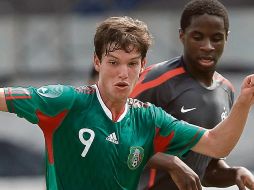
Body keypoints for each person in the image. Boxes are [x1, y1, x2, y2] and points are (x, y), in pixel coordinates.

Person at [0, 16, 254, 190]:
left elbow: (217, 145)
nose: (123, 72)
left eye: (132, 63)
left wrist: (243, 100)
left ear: (143, 66)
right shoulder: (66, 102)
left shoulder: (149, 118)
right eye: (113, 62)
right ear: (97, 62)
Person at [131, 0, 254, 190]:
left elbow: (209, 169)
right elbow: (116, 139)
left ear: (226, 38)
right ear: (182, 36)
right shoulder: (155, 81)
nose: (208, 46)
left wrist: (235, 173)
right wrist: (171, 163)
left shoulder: (226, 90)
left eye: (216, 38)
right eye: (198, 37)